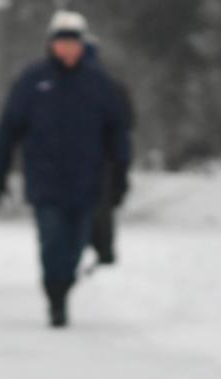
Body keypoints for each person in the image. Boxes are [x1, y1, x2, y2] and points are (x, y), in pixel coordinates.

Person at [0, 10, 131, 328]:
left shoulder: (99, 84)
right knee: (51, 241)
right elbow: (8, 129)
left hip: (86, 182)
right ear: (51, 44)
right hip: (45, 180)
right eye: (62, 42)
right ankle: (56, 297)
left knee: (76, 244)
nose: (68, 49)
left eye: (73, 43)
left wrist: (120, 178)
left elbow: (118, 135)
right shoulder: (33, 80)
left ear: (83, 45)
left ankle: (63, 285)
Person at [89, 64, 135, 268]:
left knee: (99, 208)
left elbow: (125, 125)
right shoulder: (113, 87)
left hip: (102, 160)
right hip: (104, 160)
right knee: (101, 208)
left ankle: (102, 251)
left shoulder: (110, 88)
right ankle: (102, 250)